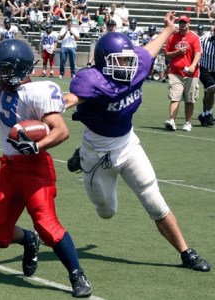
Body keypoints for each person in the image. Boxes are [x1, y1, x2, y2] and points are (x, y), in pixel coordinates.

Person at [65, 11, 211, 273]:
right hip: (97, 152)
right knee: (106, 211)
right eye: (120, 60)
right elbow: (69, 100)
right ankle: (81, 155)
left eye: (128, 60)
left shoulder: (137, 65)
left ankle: (186, 252)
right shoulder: (92, 81)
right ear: (103, 62)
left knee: (153, 199)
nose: (128, 65)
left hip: (127, 143)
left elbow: (148, 51)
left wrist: (167, 30)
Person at [0, 38, 92, 298]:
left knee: (47, 224)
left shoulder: (37, 92)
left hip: (34, 167)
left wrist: (37, 147)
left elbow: (61, 131)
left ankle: (77, 274)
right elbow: (0, 99)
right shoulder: (7, 88)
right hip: (9, 168)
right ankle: (29, 240)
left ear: (19, 69)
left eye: (3, 69)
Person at [164, 15, 201, 132]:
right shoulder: (173, 37)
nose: (182, 24)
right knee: (175, 97)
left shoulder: (194, 37)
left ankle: (188, 123)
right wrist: (178, 52)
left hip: (191, 73)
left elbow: (198, 53)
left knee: (189, 99)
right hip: (175, 72)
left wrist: (193, 66)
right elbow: (167, 54)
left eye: (184, 22)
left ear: (189, 23)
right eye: (180, 22)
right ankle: (172, 121)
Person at [197, 25, 215, 126]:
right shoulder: (204, 39)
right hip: (205, 70)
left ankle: (203, 115)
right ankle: (209, 113)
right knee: (212, 89)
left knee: (207, 93)